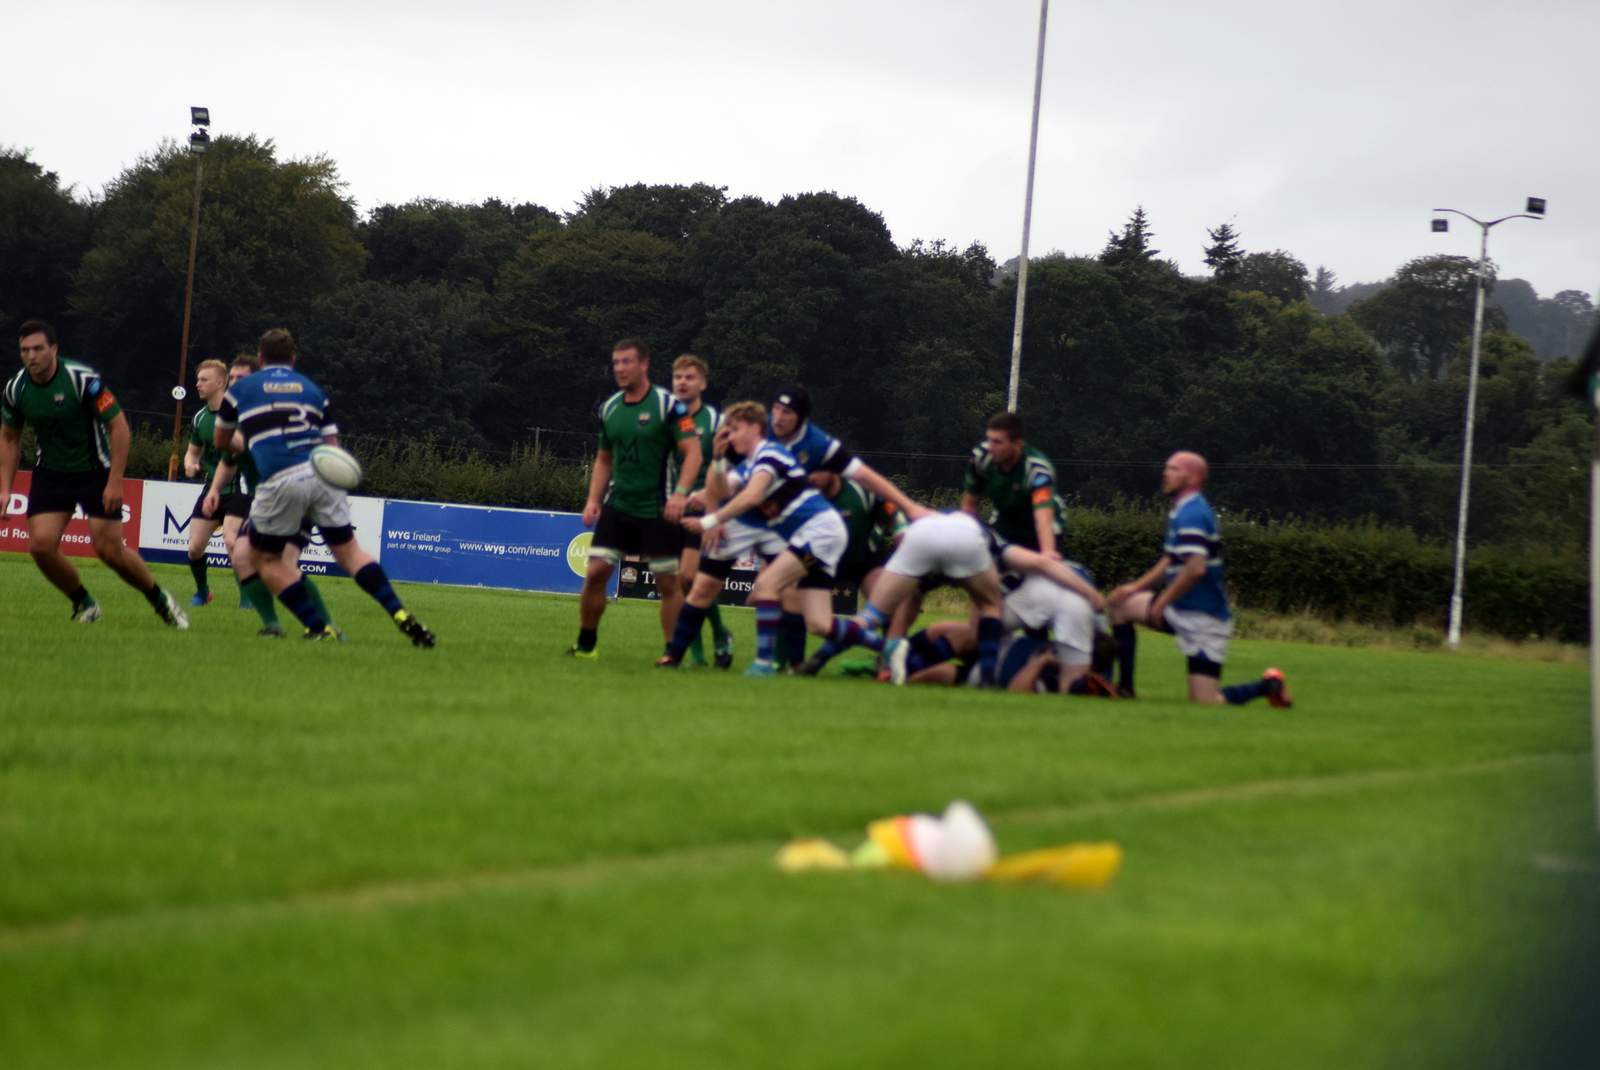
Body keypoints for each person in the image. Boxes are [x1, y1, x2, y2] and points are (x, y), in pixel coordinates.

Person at [215, 327, 433, 646]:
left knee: (265, 560)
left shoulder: (241, 390)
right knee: (350, 552)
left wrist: (255, 442)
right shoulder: (313, 390)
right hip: (322, 475)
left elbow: (221, 440)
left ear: (260, 359)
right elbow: (333, 447)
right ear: (293, 359)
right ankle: (400, 613)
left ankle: (318, 627)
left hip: (280, 480)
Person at [0, 320, 188, 628]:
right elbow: (9, 438)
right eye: (25, 350)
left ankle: (160, 600)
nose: (31, 356)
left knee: (109, 551)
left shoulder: (82, 381)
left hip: (94, 472)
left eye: (38, 348)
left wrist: (115, 481)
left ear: (54, 349)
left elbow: (119, 427)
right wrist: (5, 488)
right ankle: (85, 603)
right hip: (50, 473)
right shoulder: (16, 388)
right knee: (40, 546)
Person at [658, 401, 848, 676]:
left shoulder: (773, 451)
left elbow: (753, 494)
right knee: (703, 586)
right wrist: (718, 460)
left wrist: (710, 520)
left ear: (755, 428)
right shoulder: (742, 455)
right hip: (741, 522)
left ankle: (787, 663)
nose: (730, 435)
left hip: (780, 526)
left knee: (784, 591)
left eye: (735, 429)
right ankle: (674, 656)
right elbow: (722, 488)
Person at [1105, 451, 1292, 707]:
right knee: (1120, 605)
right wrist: (1133, 588)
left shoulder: (1193, 513)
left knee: (1205, 701)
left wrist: (1161, 603)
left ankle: (1270, 686)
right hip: (1178, 609)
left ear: (1193, 478)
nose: (1165, 473)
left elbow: (1195, 569)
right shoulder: (1180, 510)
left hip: (1205, 617)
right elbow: (1169, 560)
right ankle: (1124, 689)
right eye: (1166, 468)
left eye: (1174, 469)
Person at [765, 385, 928, 661]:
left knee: (889, 598)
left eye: (819, 472)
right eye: (809, 473)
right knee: (788, 592)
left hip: (863, 559)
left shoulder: (859, 491)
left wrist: (903, 531)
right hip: (817, 559)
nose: (813, 478)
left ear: (833, 470)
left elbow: (892, 513)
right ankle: (790, 663)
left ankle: (887, 661)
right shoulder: (803, 496)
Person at [568, 339, 702, 659]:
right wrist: (593, 500)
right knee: (596, 573)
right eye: (616, 362)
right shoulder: (609, 408)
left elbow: (694, 453)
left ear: (644, 364)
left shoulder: (669, 407)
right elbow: (603, 459)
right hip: (618, 506)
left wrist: (680, 494)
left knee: (667, 583)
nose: (620, 368)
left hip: (657, 508)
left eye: (626, 362)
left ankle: (672, 653)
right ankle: (586, 646)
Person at [205, 355, 333, 638]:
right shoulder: (240, 418)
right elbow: (229, 461)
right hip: (261, 499)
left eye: (241, 378)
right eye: (232, 378)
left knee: (281, 563)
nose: (234, 383)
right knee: (240, 554)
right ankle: (273, 625)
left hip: (291, 496)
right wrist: (213, 490)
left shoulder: (266, 416)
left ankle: (327, 627)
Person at [668, 354, 733, 668]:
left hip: (704, 509)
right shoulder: (665, 419)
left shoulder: (717, 422)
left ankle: (718, 634)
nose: (683, 382)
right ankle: (699, 651)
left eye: (689, 377)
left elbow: (729, 469)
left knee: (690, 577)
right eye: (678, 377)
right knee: (680, 582)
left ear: (703, 383)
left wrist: (711, 502)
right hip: (670, 507)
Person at [962, 410, 1064, 556]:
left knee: (1040, 567)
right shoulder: (981, 457)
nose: (990, 447)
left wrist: (1048, 552)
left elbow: (1043, 517)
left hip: (1039, 532)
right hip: (1005, 525)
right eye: (989, 439)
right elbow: (970, 504)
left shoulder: (1037, 470)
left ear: (1018, 444)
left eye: (997, 442)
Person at [181, 359, 234, 607]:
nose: (197, 384)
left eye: (204, 380)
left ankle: (247, 601)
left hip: (239, 490)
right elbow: (192, 453)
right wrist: (190, 464)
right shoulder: (200, 418)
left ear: (220, 382)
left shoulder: (238, 415)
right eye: (198, 379)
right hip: (211, 489)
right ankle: (203, 592)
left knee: (234, 545)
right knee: (194, 549)